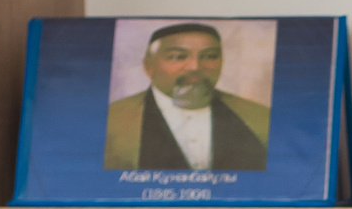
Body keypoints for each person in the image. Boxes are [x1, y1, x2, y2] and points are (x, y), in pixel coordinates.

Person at [104, 22, 269, 172]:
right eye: (178, 57)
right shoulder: (111, 120)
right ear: (149, 66)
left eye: (210, 56)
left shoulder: (259, 117)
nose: (195, 67)